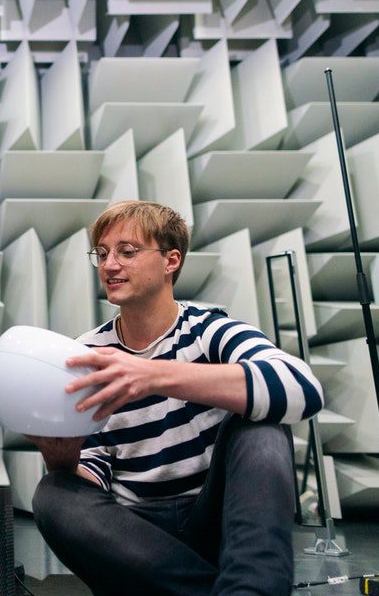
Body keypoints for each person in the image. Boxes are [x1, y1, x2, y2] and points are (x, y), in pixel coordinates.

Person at [28, 200, 324, 596]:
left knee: (263, 426)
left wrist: (154, 374)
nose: (110, 266)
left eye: (127, 252)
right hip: (137, 536)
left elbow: (303, 387)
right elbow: (91, 477)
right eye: (101, 254)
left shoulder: (208, 330)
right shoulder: (88, 352)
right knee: (53, 493)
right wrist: (61, 455)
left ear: (171, 260)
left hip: (217, 520)